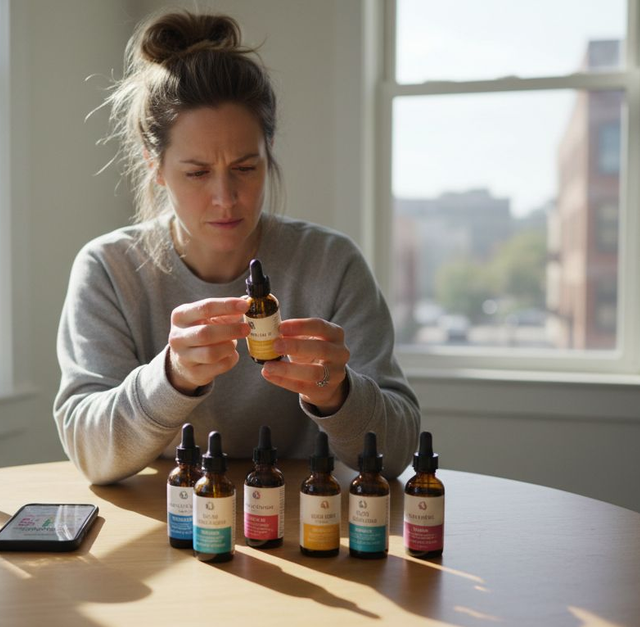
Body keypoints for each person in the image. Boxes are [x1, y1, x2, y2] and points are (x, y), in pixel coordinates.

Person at [54, 9, 419, 485]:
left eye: (245, 168)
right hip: (167, 525)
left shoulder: (332, 264)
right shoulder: (108, 269)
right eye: (197, 172)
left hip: (304, 525)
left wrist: (339, 393)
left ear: (268, 154)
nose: (225, 198)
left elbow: (396, 454)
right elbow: (89, 455)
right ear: (155, 166)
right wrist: (171, 377)